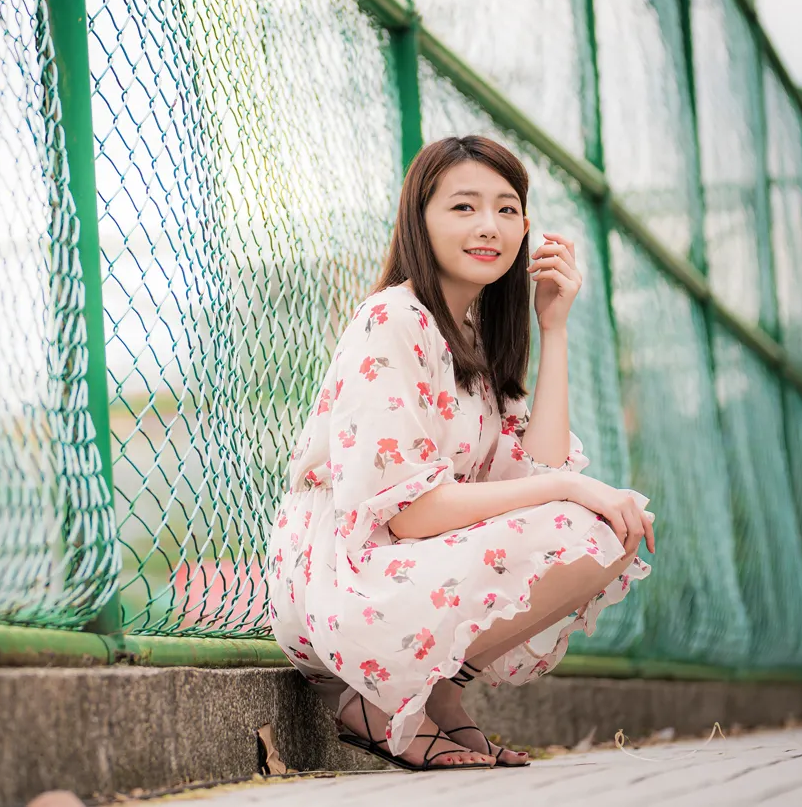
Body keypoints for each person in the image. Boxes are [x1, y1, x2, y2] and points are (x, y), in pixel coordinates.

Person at [266, 135, 654, 772]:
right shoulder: (390, 320)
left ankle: (437, 700)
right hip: (344, 583)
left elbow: (540, 467)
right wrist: (571, 491)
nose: (489, 227)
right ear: (420, 219)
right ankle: (383, 707)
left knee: (608, 528)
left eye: (507, 210)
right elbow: (411, 516)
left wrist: (552, 328)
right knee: (580, 515)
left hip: (408, 571)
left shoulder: (474, 338)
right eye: (464, 207)